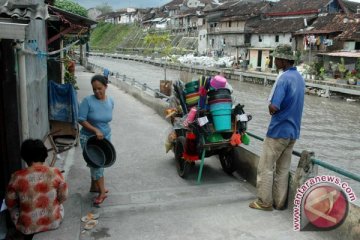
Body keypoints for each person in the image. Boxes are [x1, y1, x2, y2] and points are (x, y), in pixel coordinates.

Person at [249, 44, 305, 211]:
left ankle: (264, 202)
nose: (274, 62)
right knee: (283, 169)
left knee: (265, 167)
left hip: (278, 131)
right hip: (293, 132)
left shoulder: (284, 78)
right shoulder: (299, 78)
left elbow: (274, 107)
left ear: (282, 60)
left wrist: (270, 108)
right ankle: (279, 203)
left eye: (275, 59)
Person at [5, 139, 68, 239]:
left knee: (13, 208)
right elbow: (63, 197)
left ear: (24, 156)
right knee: (58, 204)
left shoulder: (16, 177)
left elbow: (10, 203)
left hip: (27, 227)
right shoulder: (55, 172)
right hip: (53, 222)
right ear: (44, 154)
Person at [78, 74, 114, 205]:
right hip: (89, 138)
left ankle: (94, 186)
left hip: (105, 137)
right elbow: (81, 119)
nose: (97, 91)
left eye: (100, 88)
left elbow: (106, 120)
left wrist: (103, 132)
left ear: (106, 86)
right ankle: (102, 193)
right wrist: (95, 130)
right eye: (94, 89)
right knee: (96, 163)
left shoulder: (110, 101)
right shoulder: (88, 101)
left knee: (100, 163)